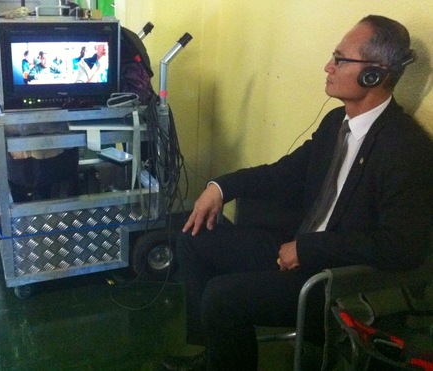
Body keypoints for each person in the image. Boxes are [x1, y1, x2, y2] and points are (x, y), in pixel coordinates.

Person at [161, 15, 433, 371]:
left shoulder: (405, 147)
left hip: (333, 282)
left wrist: (307, 249)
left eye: (340, 59)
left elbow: (402, 247)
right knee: (193, 235)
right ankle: (215, 353)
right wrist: (220, 186)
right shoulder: (336, 123)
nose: (328, 66)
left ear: (375, 74)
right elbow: (282, 174)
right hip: (296, 249)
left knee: (222, 297)